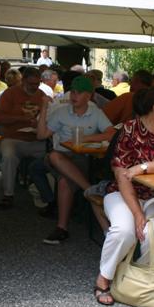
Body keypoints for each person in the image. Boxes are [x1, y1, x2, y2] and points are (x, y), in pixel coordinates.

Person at [93, 85, 154, 305]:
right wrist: (137, 213)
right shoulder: (128, 130)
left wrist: (143, 167)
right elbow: (121, 175)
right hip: (122, 193)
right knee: (124, 230)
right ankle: (103, 279)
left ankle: (142, 284)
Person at [37, 76, 115, 244]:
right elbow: (41, 135)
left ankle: (62, 228)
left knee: (65, 181)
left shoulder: (96, 112)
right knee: (54, 155)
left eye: (79, 93)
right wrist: (44, 108)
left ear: (89, 95)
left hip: (81, 157)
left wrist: (87, 138)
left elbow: (111, 133)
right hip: (60, 156)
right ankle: (90, 189)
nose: (74, 96)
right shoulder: (61, 112)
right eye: (73, 91)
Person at [0, 67, 45, 210]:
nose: (35, 87)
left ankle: (47, 193)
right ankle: (8, 194)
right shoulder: (10, 94)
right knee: (9, 155)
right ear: (23, 81)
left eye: (37, 84)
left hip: (36, 139)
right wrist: (21, 119)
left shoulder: (42, 96)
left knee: (54, 154)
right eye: (31, 84)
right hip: (12, 138)